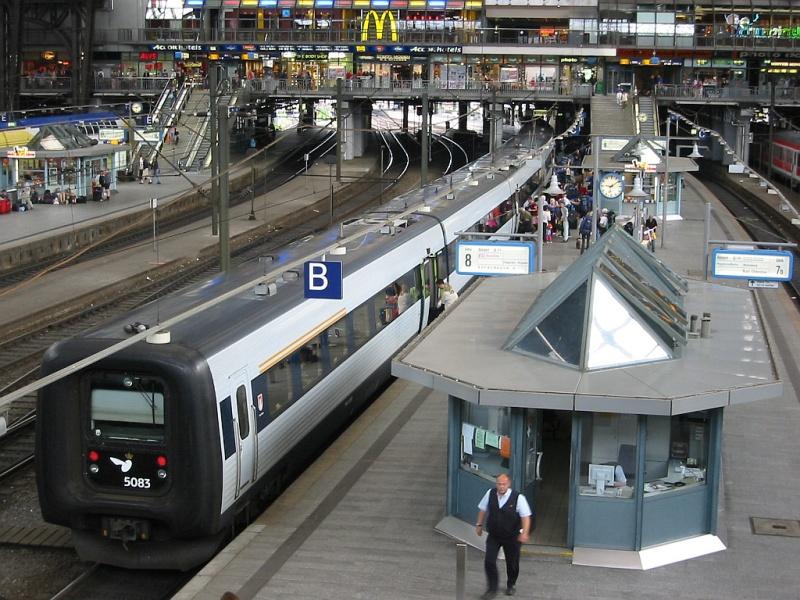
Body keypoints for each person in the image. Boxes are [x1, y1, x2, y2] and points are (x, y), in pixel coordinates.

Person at [475, 474, 532, 598]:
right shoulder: (490, 493)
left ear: (509, 484)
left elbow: (526, 517)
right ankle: (492, 588)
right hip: (494, 535)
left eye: (503, 484)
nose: (501, 487)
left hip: (512, 537)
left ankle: (511, 584)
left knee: (512, 562)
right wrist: (479, 525)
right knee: (489, 561)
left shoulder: (518, 498)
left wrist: (525, 533)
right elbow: (482, 509)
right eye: (499, 484)